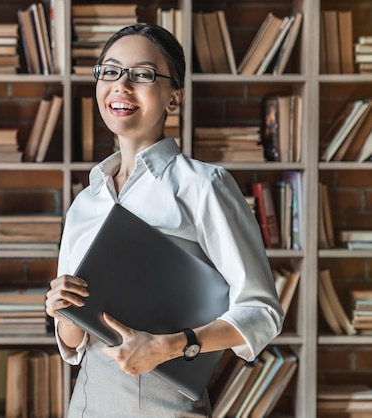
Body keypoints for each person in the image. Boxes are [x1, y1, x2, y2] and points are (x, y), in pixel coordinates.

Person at [45, 24, 284, 417]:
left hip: (167, 406)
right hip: (88, 404)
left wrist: (171, 346)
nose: (121, 85)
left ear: (175, 97)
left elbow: (262, 313)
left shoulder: (204, 186)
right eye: (110, 71)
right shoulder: (85, 202)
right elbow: (76, 341)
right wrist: (63, 311)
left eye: (142, 74)